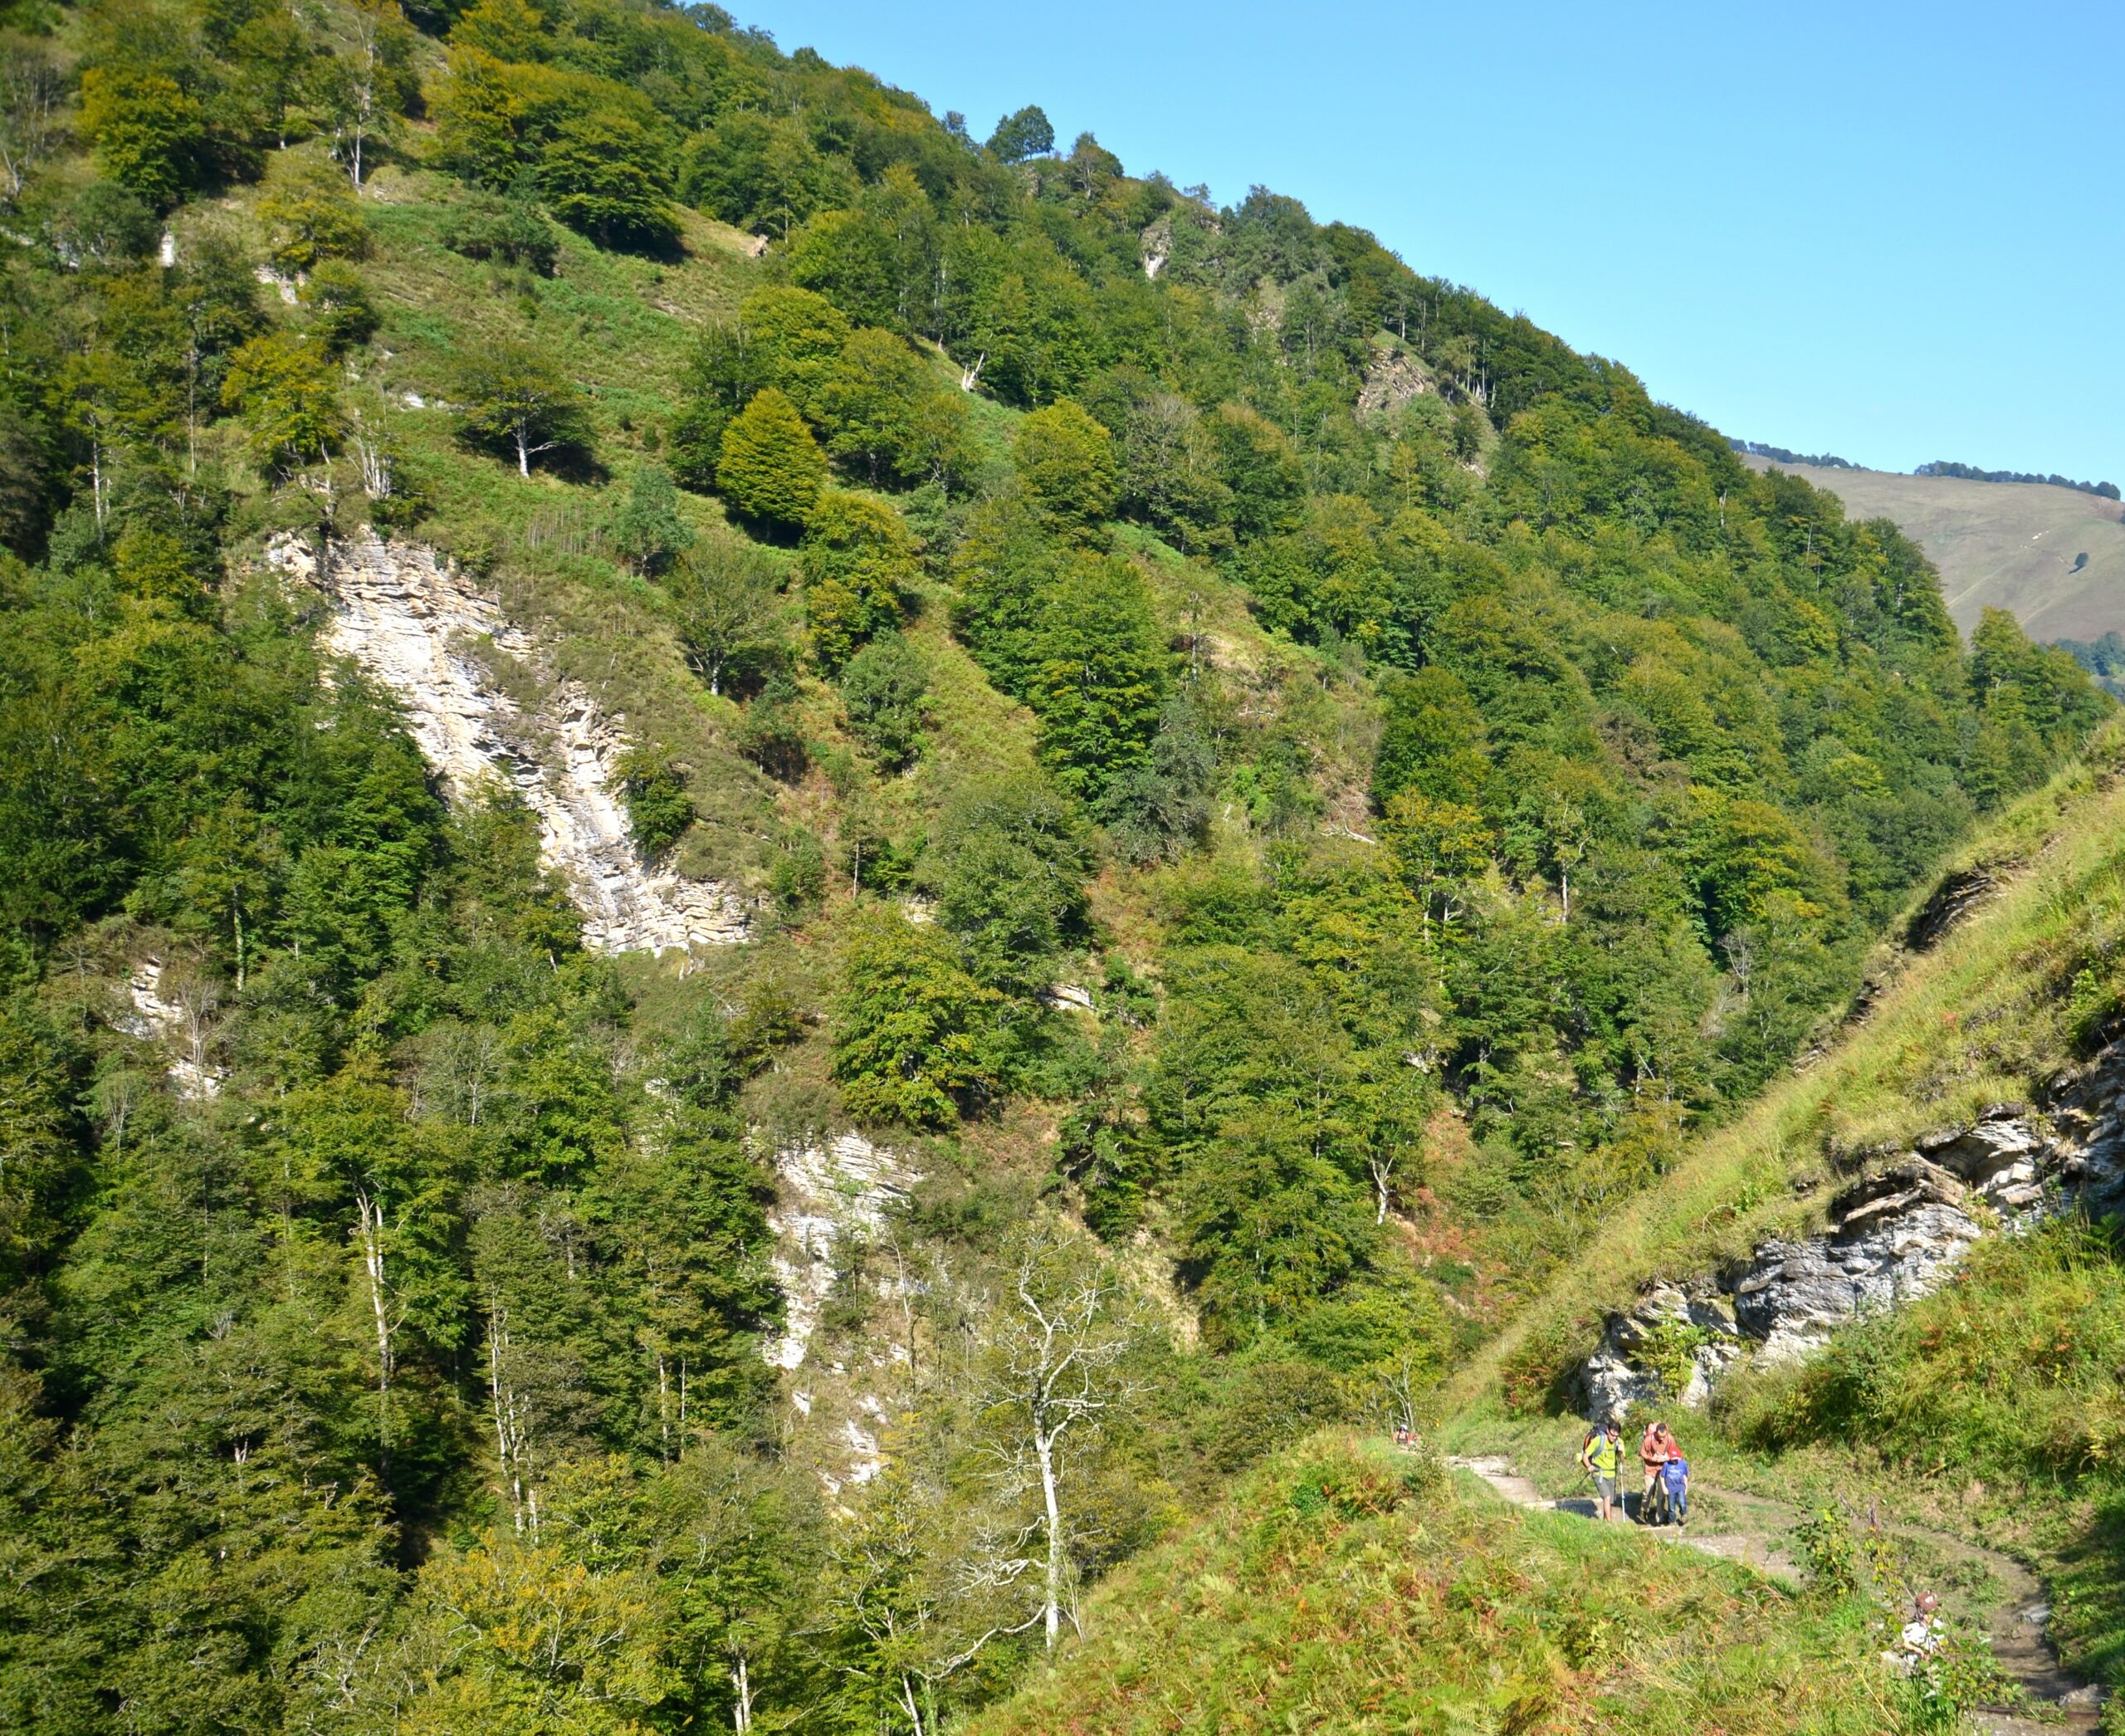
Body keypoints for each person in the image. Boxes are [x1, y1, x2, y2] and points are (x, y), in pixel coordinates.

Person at [1578, 1418, 1624, 1520]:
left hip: (1612, 1474)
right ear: (1607, 1431)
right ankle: (1609, 1523)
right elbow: (1585, 1455)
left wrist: (1620, 1452)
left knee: (1610, 1501)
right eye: (1612, 1435)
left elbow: (1622, 1461)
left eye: (1616, 1436)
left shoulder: (1619, 1443)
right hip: (1599, 1473)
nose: (1614, 1438)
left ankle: (1605, 1522)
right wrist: (1589, 1466)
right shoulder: (1598, 1440)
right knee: (1607, 1497)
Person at [1638, 1420, 1674, 1524]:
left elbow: (1674, 1452)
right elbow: (1642, 1453)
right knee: (1648, 1492)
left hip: (1663, 1469)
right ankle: (1643, 1512)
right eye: (1659, 1436)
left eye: (1663, 1436)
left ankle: (1660, 1517)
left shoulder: (1670, 1439)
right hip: (1650, 1469)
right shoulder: (1649, 1439)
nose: (1661, 1439)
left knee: (1661, 1494)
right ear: (1656, 1432)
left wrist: (1666, 1457)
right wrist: (1651, 1458)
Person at [1659, 1451, 1688, 1531]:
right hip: (1670, 1489)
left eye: (1676, 1459)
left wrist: (1686, 1487)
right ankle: (1672, 1521)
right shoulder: (1666, 1465)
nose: (1675, 1461)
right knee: (1671, 1507)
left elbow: (1685, 1475)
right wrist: (1664, 1488)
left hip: (1680, 1487)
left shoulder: (1683, 1463)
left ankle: (1684, 1515)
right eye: (1673, 1459)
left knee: (1682, 1502)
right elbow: (1662, 1477)